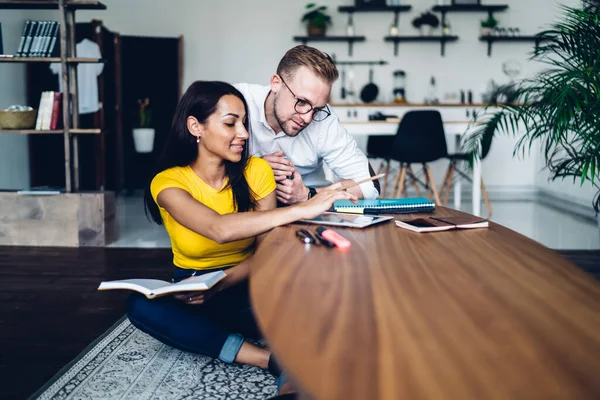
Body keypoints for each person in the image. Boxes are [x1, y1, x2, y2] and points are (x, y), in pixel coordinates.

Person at [127, 81, 355, 389]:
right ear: (196, 126)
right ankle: (268, 358)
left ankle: (273, 354)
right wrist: (303, 208)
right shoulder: (167, 183)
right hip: (193, 287)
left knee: (318, 298)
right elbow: (217, 228)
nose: (244, 134)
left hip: (249, 283)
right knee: (141, 307)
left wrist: (222, 283)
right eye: (231, 123)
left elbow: (267, 253)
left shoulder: (256, 171)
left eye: (245, 123)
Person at [235, 45, 380, 206]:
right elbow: (203, 168)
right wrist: (252, 168)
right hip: (245, 209)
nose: (307, 118)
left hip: (311, 214)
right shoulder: (236, 101)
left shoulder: (325, 120)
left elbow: (370, 185)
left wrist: (309, 195)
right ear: (276, 83)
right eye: (302, 102)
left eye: (317, 109)